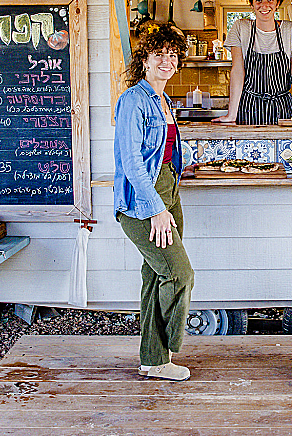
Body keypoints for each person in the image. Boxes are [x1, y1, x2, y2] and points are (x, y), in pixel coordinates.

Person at [114, 22, 194, 382]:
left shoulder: (162, 100)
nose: (167, 61)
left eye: (173, 55)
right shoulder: (134, 99)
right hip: (144, 198)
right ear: (144, 59)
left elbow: (162, 149)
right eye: (159, 54)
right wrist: (157, 209)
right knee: (178, 274)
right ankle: (170, 347)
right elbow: (132, 162)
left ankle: (153, 359)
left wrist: (183, 164)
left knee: (155, 275)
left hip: (168, 189)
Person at [213, 0, 292, 124]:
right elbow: (237, 71)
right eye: (258, 0)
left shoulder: (290, 30)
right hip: (249, 109)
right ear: (251, 3)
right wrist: (231, 115)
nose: (264, 5)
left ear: (278, 2)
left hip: (282, 109)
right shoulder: (240, 28)